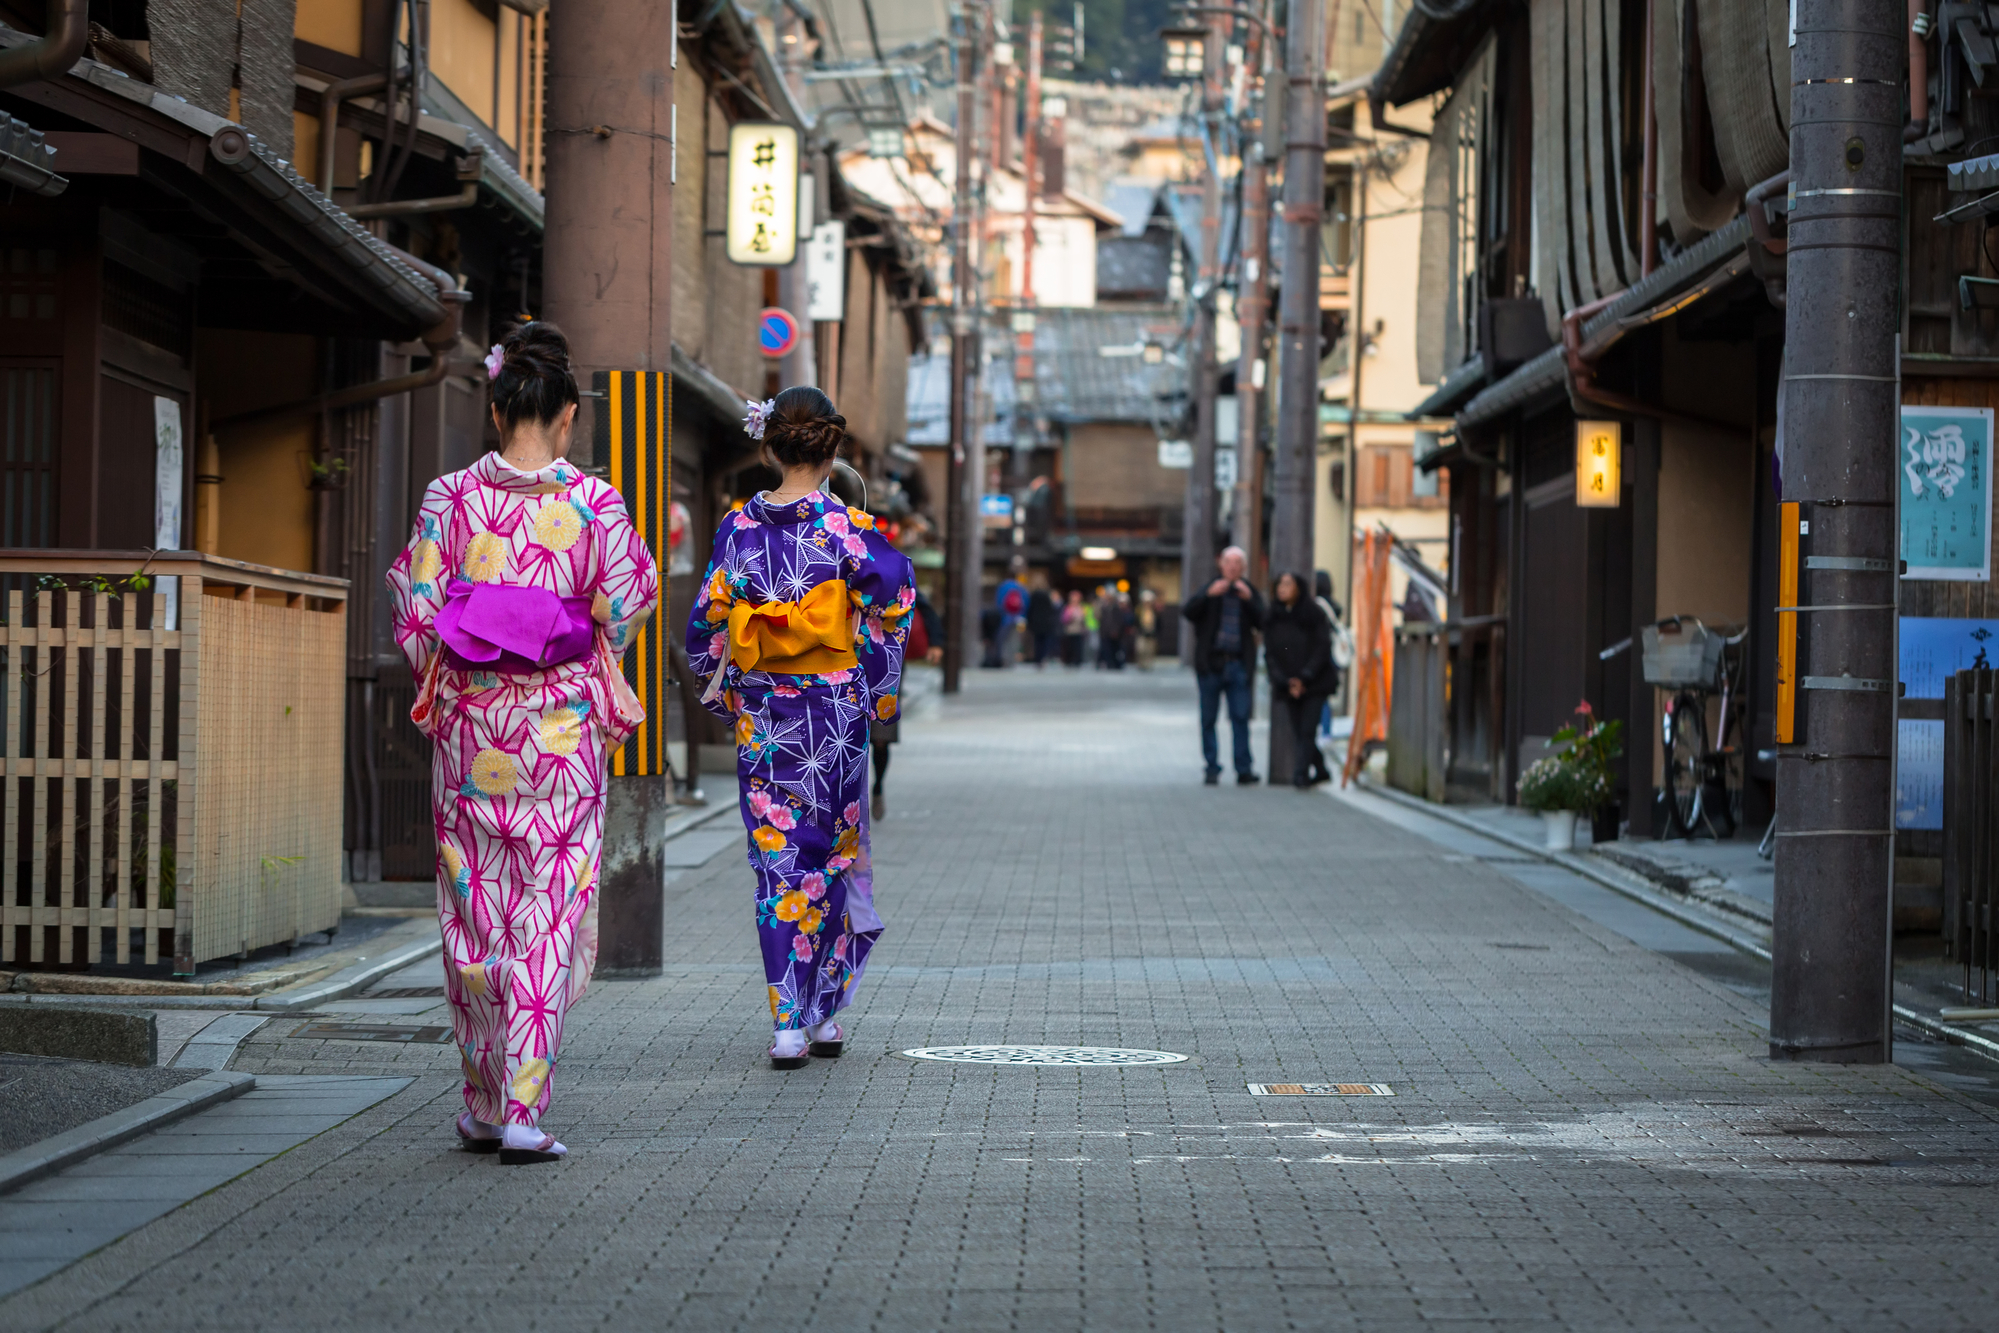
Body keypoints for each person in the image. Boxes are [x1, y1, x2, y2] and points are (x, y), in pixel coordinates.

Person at [387, 321, 659, 1164]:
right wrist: (561, 627)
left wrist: (476, 649)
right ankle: (523, 1109)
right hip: (562, 733)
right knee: (546, 909)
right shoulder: (596, 504)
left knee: (473, 908)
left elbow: (420, 613)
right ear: (569, 416)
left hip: (473, 735)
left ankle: (478, 1098)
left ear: (496, 407)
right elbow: (625, 604)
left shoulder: (449, 497)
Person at [686, 386, 915, 1071]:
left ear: (767, 445)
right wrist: (876, 696)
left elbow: (705, 625)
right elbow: (894, 604)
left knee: (777, 865)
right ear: (832, 448)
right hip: (835, 716)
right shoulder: (848, 529)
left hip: (764, 713)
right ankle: (820, 1011)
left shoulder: (737, 528)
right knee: (831, 856)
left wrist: (730, 700)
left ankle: (789, 1020)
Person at [1182, 545, 1263, 785]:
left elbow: (1264, 621)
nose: (1233, 567)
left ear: (1244, 568)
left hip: (1238, 663)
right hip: (1212, 664)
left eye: (1238, 563)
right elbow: (1188, 612)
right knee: (1208, 718)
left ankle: (1243, 767)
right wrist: (1208, 595)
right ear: (1221, 565)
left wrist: (1249, 601)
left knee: (1240, 717)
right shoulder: (1211, 588)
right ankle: (1211, 766)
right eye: (1229, 562)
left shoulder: (1248, 592)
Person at [872, 588, 940, 819]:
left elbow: (924, 607)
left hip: (890, 662)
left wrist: (936, 642)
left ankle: (878, 786)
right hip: (852, 659)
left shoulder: (895, 567)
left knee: (882, 736)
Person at [1265, 571, 1338, 787]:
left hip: (1315, 682)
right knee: (1299, 731)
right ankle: (1322, 769)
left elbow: (1322, 647)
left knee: (1307, 729)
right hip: (1287, 683)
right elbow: (1270, 653)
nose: (1282, 588)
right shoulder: (1273, 616)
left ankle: (1301, 775)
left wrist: (1305, 677)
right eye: (1279, 584)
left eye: (1287, 584)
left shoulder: (1313, 613)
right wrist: (1285, 680)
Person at [1026, 582, 1060, 668]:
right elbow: (1051, 609)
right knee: (1045, 642)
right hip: (1046, 622)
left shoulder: (1033, 596)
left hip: (1036, 622)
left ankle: (1038, 659)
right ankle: (1042, 658)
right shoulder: (1047, 595)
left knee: (1037, 642)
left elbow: (1030, 609)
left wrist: (1029, 621)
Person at [1060, 589, 1087, 666]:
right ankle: (1068, 660)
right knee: (1069, 647)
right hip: (1070, 630)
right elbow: (1064, 619)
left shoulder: (1081, 608)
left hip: (1078, 630)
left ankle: (1077, 660)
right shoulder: (1068, 608)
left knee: (1077, 647)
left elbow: (1084, 619)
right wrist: (1070, 616)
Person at [1134, 588, 1159, 670]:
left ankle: (1148, 664)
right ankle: (1141, 663)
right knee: (1140, 649)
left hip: (1151, 633)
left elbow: (1158, 623)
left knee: (1150, 650)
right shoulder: (1139, 610)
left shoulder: (1154, 611)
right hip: (1141, 633)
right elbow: (1136, 621)